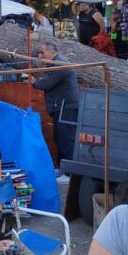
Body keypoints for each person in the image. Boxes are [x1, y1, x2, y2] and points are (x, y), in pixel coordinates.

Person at [32, 37, 80, 166]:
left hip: (67, 107)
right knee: (60, 138)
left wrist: (35, 82)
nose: (40, 55)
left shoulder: (60, 64)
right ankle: (62, 167)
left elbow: (46, 83)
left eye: (42, 52)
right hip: (62, 107)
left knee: (66, 140)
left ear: (52, 52)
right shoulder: (54, 64)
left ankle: (68, 171)